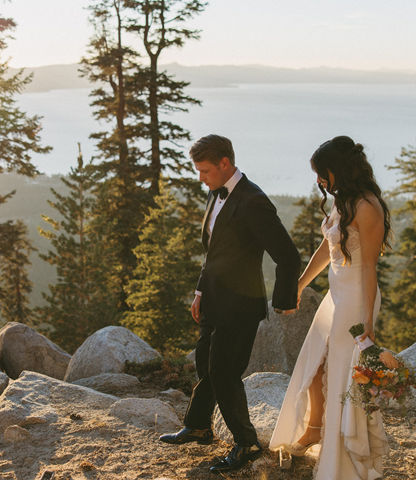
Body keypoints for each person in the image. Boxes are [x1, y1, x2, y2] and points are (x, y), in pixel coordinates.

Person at [159, 134, 301, 473]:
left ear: (226, 164)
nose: (200, 178)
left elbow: (288, 255)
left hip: (240, 304)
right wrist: (199, 292)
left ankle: (247, 442)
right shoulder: (216, 191)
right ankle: (198, 426)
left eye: (205, 171)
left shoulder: (253, 201)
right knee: (206, 365)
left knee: (224, 372)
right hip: (214, 299)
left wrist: (284, 301)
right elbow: (214, 253)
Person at [269, 135, 392, 479]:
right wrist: (300, 284)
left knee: (339, 372)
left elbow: (368, 267)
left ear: (338, 169)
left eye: (323, 173)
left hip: (356, 299)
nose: (320, 181)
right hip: (335, 295)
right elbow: (328, 247)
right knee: (314, 359)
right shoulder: (344, 201)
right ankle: (313, 428)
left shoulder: (368, 207)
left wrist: (367, 321)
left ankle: (339, 452)